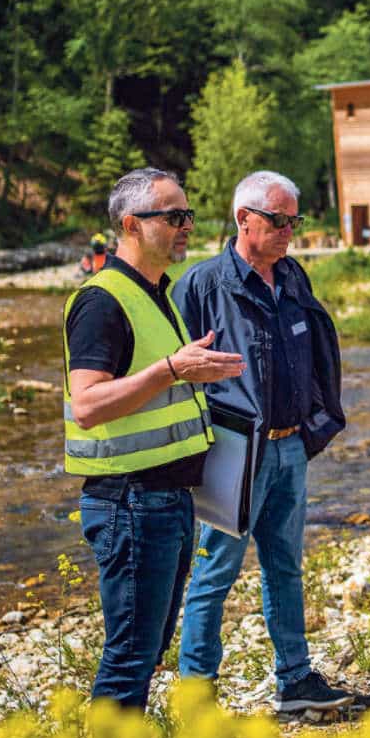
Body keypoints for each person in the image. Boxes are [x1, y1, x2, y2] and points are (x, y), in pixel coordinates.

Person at [62, 168, 245, 708]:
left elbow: (160, 384)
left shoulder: (157, 293)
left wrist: (194, 374)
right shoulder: (101, 301)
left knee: (147, 650)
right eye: (173, 216)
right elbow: (88, 404)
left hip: (164, 502)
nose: (187, 225)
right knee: (129, 656)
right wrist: (172, 369)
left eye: (188, 215)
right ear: (131, 225)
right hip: (130, 503)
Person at [174, 171, 352, 713]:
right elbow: (172, 373)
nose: (288, 231)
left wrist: (318, 423)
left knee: (285, 563)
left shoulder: (294, 277)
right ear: (242, 219)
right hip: (232, 453)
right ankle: (197, 693)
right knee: (215, 569)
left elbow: (318, 351)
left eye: (294, 220)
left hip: (291, 447)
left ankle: (295, 680)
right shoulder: (202, 286)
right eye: (277, 220)